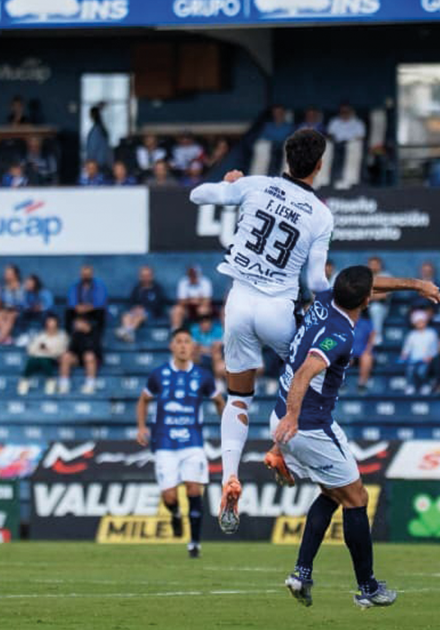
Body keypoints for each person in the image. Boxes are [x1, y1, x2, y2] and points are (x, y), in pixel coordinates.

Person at [188, 129, 337, 534]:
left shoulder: (256, 186)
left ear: (286, 158)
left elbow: (197, 195)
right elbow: (316, 281)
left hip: (238, 305)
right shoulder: (321, 214)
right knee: (311, 377)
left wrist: (230, 185)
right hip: (278, 310)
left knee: (239, 396)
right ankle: (278, 449)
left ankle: (229, 477)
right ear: (319, 165)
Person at [273, 266, 440, 609]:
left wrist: (415, 285)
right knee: (357, 499)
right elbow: (305, 372)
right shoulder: (340, 335)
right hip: (307, 423)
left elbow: (371, 285)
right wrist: (293, 417)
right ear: (366, 300)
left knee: (332, 493)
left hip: (291, 415)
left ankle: (302, 574)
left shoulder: (325, 298)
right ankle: (368, 588)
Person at [136, 328, 225, 559]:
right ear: (172, 346)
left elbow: (218, 400)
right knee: (169, 496)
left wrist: (226, 425)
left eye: (187, 341)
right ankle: (175, 514)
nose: (183, 345)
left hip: (193, 442)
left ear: (193, 347)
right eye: (179, 341)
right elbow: (144, 399)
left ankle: (194, 543)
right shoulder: (159, 375)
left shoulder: (203, 376)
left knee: (194, 489)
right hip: (164, 443)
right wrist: (142, 427)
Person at [62, 264, 108, 395]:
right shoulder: (75, 287)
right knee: (65, 356)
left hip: (94, 315)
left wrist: (88, 309)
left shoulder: (99, 286)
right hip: (77, 352)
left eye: (88, 273)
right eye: (84, 273)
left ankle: (90, 384)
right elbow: (72, 302)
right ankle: (64, 384)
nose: (86, 276)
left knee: (89, 356)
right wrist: (78, 310)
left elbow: (100, 302)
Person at [18, 314, 69, 396]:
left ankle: (50, 381)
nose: (51, 326)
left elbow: (61, 350)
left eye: (53, 323)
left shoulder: (62, 335)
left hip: (54, 358)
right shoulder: (41, 335)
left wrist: (46, 349)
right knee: (32, 361)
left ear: (57, 324)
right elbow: (31, 349)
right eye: (49, 323)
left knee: (44, 360)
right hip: (38, 356)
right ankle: (25, 381)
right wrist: (44, 350)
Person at [118, 265, 170, 343]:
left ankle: (128, 331)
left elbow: (159, 305)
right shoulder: (137, 288)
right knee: (126, 315)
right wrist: (134, 308)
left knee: (139, 316)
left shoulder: (157, 289)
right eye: (143, 276)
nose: (145, 278)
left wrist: (144, 308)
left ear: (152, 276)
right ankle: (128, 332)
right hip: (136, 312)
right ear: (140, 277)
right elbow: (131, 302)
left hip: (151, 313)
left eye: (147, 275)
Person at [400, 309, 439, 395]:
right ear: (414, 323)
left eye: (422, 321)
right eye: (418, 322)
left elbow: (434, 348)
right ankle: (410, 386)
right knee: (410, 370)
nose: (420, 324)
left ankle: (425, 385)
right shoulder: (411, 335)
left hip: (426, 360)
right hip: (413, 360)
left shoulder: (431, 333)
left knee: (422, 371)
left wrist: (430, 357)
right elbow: (407, 347)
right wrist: (404, 355)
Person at [0, 264, 26, 346]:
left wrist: (15, 307)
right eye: (6, 273)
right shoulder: (4, 288)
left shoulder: (22, 287)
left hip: (19, 310)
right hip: (7, 309)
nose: (6, 275)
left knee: (11, 315)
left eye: (9, 273)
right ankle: (7, 338)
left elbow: (23, 302)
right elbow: (3, 302)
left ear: (15, 275)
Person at [171, 266, 213, 330]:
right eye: (191, 274)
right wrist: (196, 300)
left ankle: (204, 332)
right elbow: (181, 301)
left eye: (194, 274)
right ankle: (176, 331)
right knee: (177, 310)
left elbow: (207, 301)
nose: (192, 276)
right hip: (187, 309)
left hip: (201, 307)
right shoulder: (183, 282)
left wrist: (190, 300)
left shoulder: (205, 282)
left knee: (203, 310)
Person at [350, 314, 375, 395]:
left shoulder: (365, 323)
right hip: (348, 353)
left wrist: (368, 349)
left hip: (362, 352)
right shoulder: (342, 322)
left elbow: (372, 336)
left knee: (367, 357)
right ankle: (339, 383)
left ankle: (362, 384)